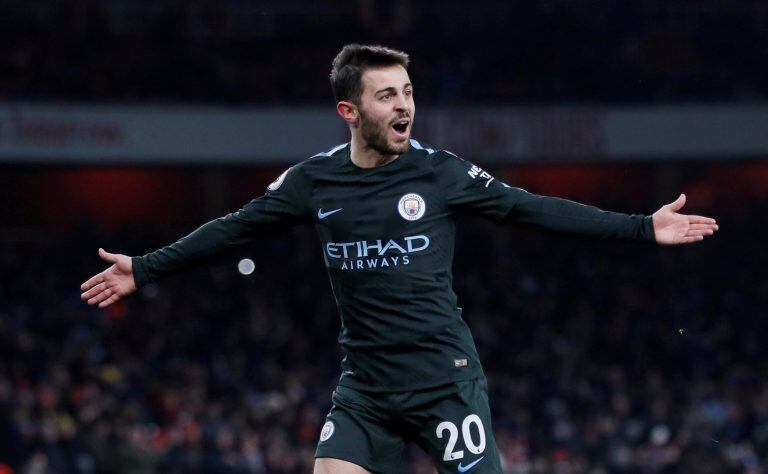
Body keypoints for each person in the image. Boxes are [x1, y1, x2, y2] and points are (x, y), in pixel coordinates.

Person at [80, 44, 719, 473]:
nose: (405, 105)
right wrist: (148, 267)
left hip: (445, 384)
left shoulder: (442, 174)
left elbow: (530, 209)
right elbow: (237, 229)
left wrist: (641, 228)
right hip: (367, 389)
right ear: (349, 111)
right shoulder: (313, 182)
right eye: (387, 96)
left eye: (408, 92)